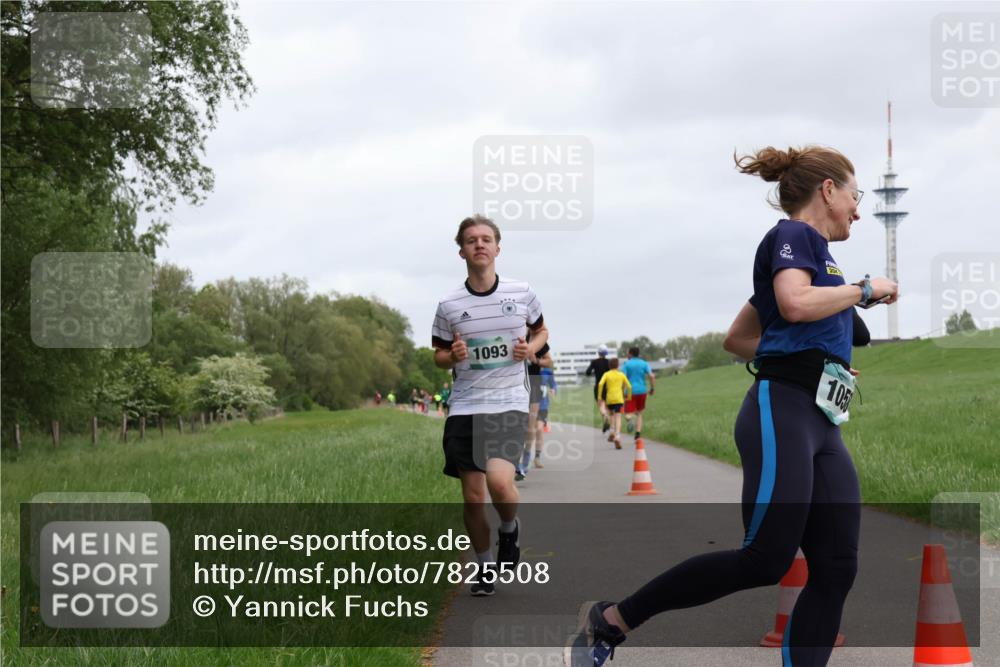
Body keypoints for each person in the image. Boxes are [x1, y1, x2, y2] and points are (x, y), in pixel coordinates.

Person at [566, 145, 898, 667]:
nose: (858, 210)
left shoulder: (823, 262)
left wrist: (816, 360)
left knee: (837, 566)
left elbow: (739, 338)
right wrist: (863, 291)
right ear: (829, 190)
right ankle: (612, 620)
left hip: (821, 421)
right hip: (781, 411)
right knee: (765, 559)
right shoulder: (793, 236)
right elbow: (793, 303)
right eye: (856, 196)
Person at [432, 214, 548, 597]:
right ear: (461, 251)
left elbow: (541, 330)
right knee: (472, 497)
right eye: (471, 240)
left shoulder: (521, 291)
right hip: (466, 405)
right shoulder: (449, 304)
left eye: (486, 239)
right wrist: (452, 356)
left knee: (499, 482)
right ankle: (484, 568)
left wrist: (530, 349)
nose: (479, 244)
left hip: (508, 400)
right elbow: (438, 355)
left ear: (498, 248)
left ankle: (509, 529)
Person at [518, 339, 553, 480]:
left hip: (533, 383)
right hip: (512, 385)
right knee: (514, 425)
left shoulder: (536, 339)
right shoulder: (508, 333)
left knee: (530, 426)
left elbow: (549, 362)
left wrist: (536, 360)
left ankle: (525, 459)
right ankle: (514, 459)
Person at [596, 358, 631, 450]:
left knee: (611, 414)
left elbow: (600, 384)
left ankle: (611, 431)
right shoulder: (621, 374)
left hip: (609, 399)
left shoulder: (606, 374)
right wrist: (629, 397)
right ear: (618, 365)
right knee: (618, 417)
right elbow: (629, 386)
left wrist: (599, 397)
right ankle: (617, 436)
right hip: (619, 399)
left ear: (609, 366)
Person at [621, 346, 655, 441]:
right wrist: (652, 388)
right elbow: (651, 376)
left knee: (627, 413)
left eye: (628, 353)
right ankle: (638, 433)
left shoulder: (626, 364)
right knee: (639, 412)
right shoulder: (644, 363)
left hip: (630, 391)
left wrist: (622, 391)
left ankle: (630, 419)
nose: (627, 355)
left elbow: (623, 379)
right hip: (642, 391)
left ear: (630, 354)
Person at [585, 345, 612, 432]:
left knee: (601, 405)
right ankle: (607, 422)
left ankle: (605, 417)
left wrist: (595, 372)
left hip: (598, 386)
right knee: (607, 406)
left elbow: (587, 372)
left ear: (598, 352)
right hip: (608, 386)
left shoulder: (594, 362)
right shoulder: (609, 362)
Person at [536, 366, 557, 455]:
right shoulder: (526, 367)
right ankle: (526, 453)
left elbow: (553, 384)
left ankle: (537, 455)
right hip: (527, 405)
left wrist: (553, 389)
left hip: (542, 405)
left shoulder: (547, 371)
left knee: (539, 429)